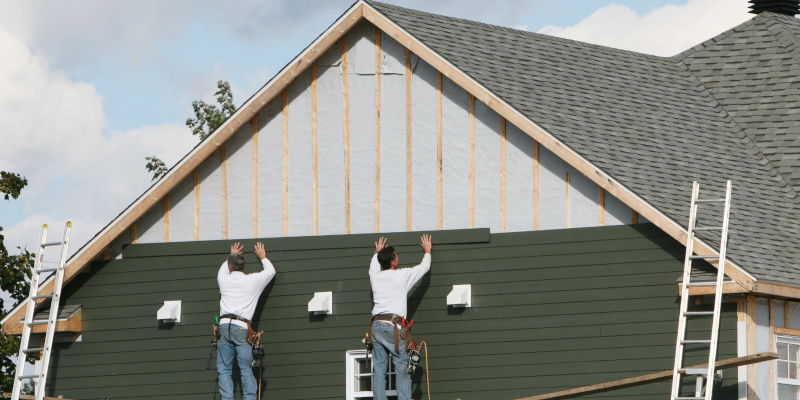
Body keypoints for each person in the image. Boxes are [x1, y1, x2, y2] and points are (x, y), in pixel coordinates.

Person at [369, 234, 432, 400]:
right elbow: (423, 268)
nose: (398, 257)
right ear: (392, 262)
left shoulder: (375, 277)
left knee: (380, 370)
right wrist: (427, 251)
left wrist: (377, 252)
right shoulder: (401, 275)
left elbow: (373, 266)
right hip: (393, 327)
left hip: (375, 326)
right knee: (401, 367)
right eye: (396, 256)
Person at [217, 242, 276, 400]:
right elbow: (270, 271)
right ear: (243, 267)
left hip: (223, 326)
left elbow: (223, 269)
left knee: (224, 369)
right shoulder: (253, 281)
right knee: (245, 368)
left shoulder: (224, 280)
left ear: (230, 267)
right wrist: (263, 257)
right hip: (241, 327)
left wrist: (232, 255)